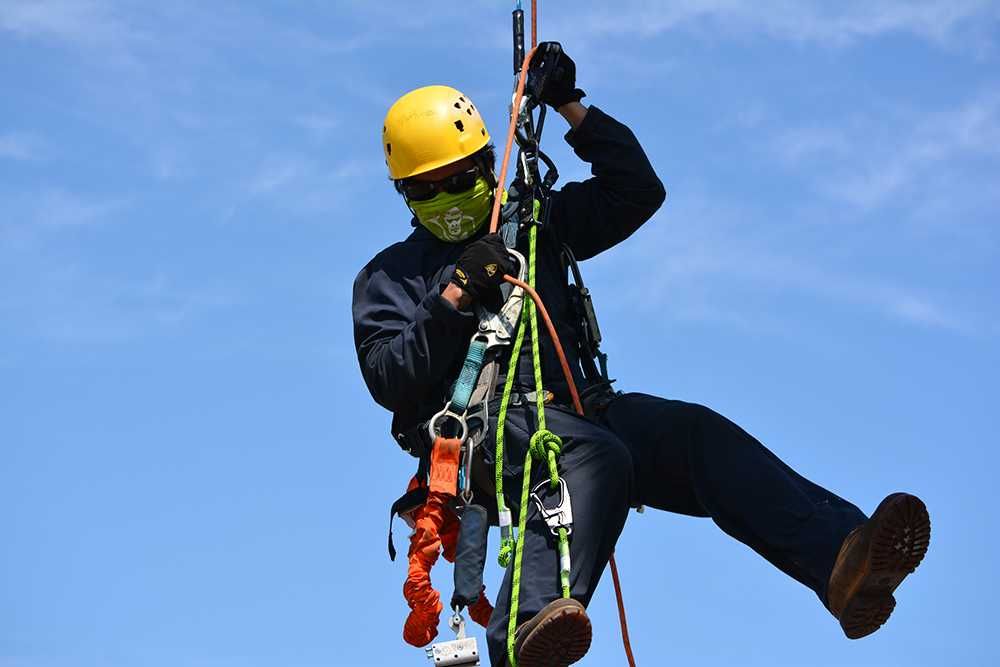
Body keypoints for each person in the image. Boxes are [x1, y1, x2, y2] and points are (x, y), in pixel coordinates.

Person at [352, 45, 931, 667]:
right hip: (489, 436)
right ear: (404, 194)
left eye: (460, 179)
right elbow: (390, 378)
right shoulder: (391, 276)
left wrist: (570, 106)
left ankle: (842, 559)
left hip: (580, 410)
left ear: (488, 165)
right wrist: (455, 294)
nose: (448, 196)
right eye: (427, 190)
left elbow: (636, 191)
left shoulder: (533, 224)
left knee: (693, 436)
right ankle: (524, 634)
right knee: (593, 457)